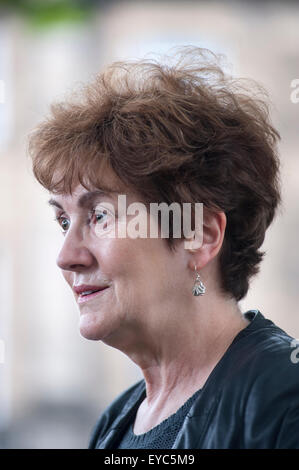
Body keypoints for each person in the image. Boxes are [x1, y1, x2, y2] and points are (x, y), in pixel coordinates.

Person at [28, 47, 299, 449]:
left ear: (201, 235)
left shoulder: (285, 403)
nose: (66, 257)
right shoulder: (114, 426)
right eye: (64, 221)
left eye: (100, 215)